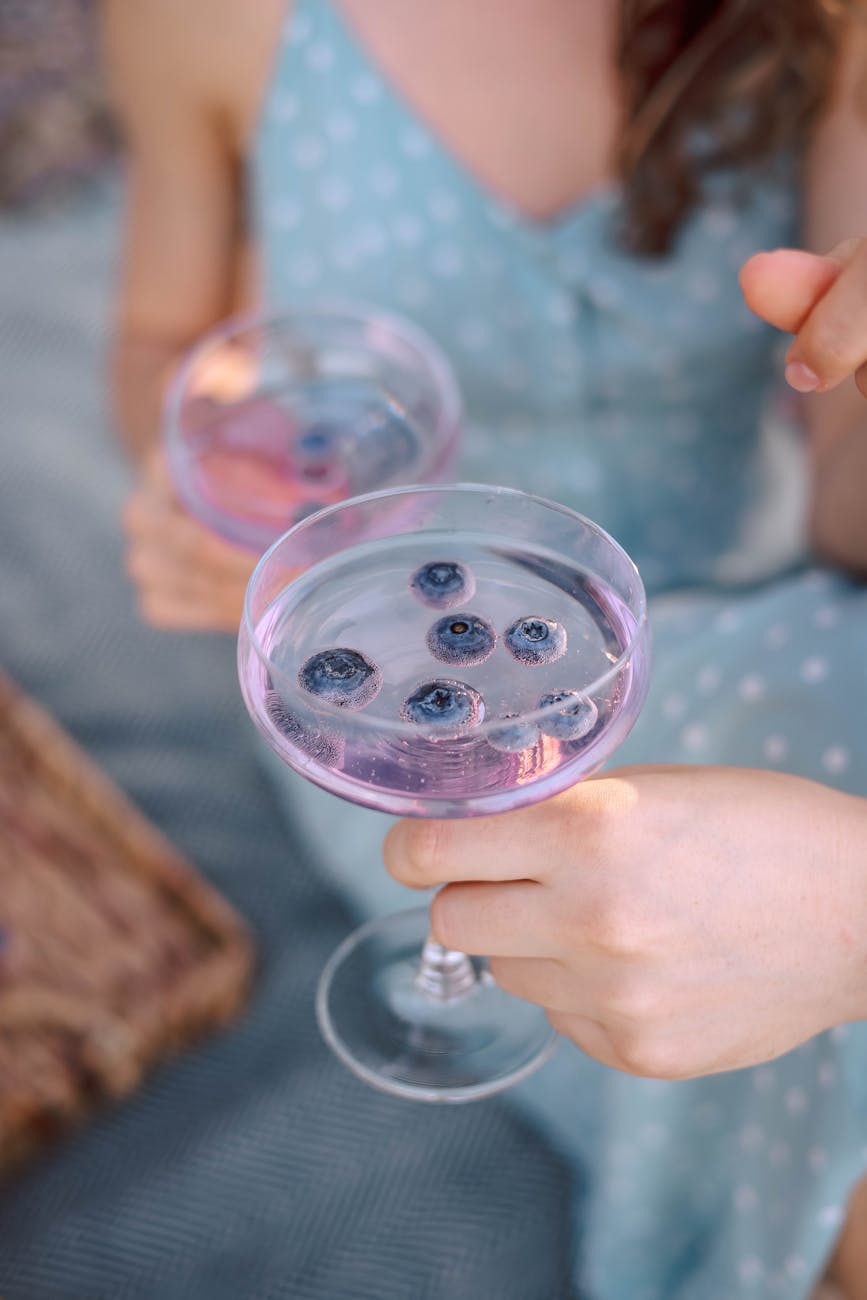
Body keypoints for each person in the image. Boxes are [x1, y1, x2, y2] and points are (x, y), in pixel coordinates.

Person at [104, 1, 867, 1295]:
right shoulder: (204, 17)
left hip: (745, 609)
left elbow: (848, 506)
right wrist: (197, 485)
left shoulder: (825, 17)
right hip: (394, 680)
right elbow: (161, 344)